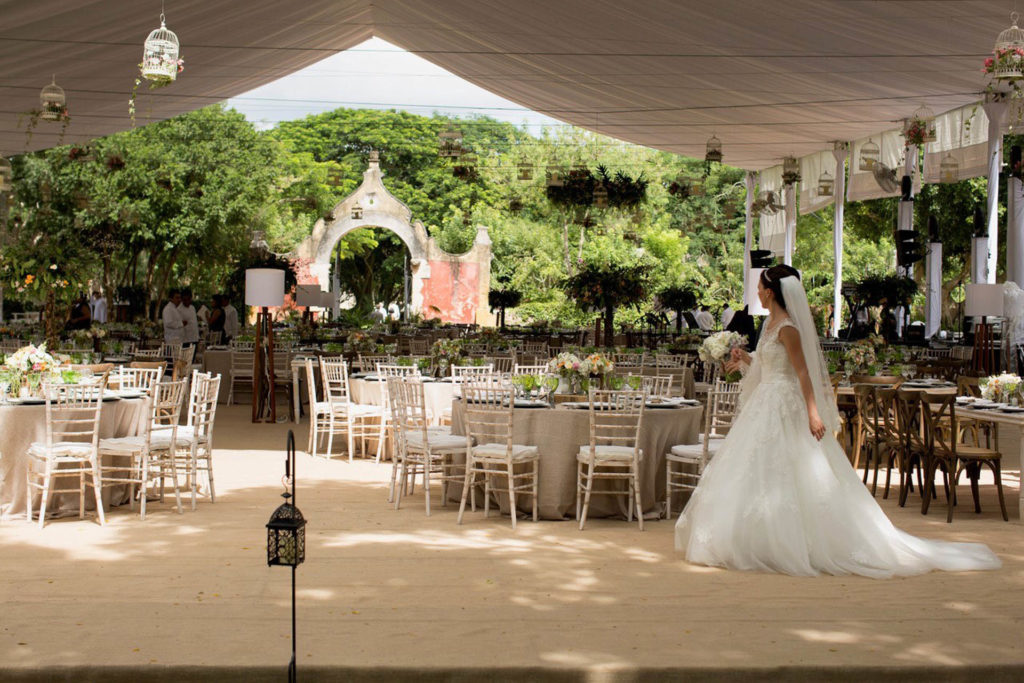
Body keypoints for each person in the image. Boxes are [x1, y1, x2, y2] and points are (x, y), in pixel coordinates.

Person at [675, 265, 1000, 578]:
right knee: (757, 469)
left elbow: (802, 372)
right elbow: (773, 363)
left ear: (771, 292)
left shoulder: (788, 327)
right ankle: (757, 538)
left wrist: (813, 413)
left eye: (760, 287)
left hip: (785, 404)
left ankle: (793, 542)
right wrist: (746, 359)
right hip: (766, 402)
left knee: (793, 470)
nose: (757, 292)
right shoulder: (769, 324)